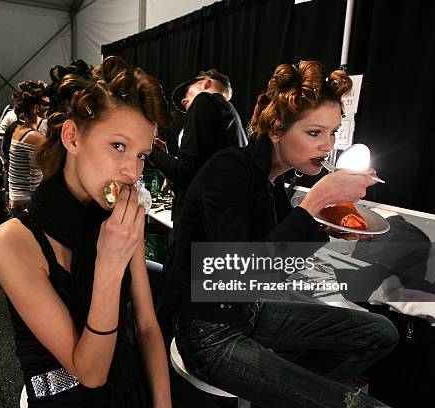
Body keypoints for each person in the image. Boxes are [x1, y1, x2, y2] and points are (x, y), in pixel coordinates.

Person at [171, 61, 399, 408]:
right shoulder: (228, 170)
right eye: (314, 133)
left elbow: (276, 258)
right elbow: (238, 275)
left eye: (333, 132)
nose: (327, 146)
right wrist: (317, 201)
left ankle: (290, 391)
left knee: (381, 332)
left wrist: (325, 222)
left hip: (249, 313)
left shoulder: (273, 179)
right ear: (276, 129)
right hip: (210, 332)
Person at [0, 56, 172, 407]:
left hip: (127, 385)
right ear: (72, 137)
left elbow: (147, 326)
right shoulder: (11, 242)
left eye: (141, 155)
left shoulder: (121, 217)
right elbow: (90, 372)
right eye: (118, 146)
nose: (132, 171)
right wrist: (109, 264)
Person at [147, 68, 248, 222]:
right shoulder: (232, 120)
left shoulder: (205, 100)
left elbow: (185, 174)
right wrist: (164, 156)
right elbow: (193, 177)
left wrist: (146, 145)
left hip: (197, 226)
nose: (183, 100)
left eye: (188, 91)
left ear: (206, 82)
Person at [7, 80, 48, 216]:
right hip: (27, 202)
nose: (49, 107)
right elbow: (44, 170)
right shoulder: (35, 137)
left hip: (17, 200)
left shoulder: (19, 131)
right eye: (45, 104)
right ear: (36, 108)